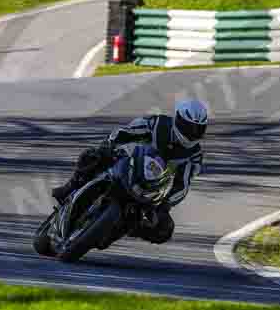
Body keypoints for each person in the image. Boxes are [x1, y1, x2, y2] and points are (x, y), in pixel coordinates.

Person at [52, 99, 207, 245]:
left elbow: (183, 185)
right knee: (92, 156)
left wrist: (165, 206)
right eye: (189, 127)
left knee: (165, 230)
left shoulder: (194, 155)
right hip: (130, 162)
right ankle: (69, 187)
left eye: (197, 129)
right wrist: (109, 144)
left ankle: (129, 228)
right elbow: (128, 131)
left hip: (154, 190)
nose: (192, 133)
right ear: (178, 120)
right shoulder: (159, 124)